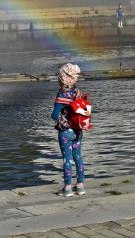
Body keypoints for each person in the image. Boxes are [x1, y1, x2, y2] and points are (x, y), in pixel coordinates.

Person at [51, 63, 87, 197]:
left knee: (67, 159)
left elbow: (55, 114)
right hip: (78, 130)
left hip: (66, 132)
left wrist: (55, 115)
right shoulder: (78, 92)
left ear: (62, 78)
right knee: (78, 157)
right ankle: (80, 186)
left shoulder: (62, 94)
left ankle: (67, 188)